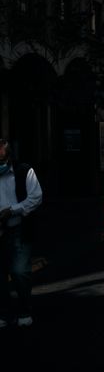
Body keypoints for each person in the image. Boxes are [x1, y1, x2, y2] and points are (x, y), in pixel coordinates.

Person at [0, 139, 42, 328]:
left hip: (17, 227)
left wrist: (13, 210)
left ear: (9, 157)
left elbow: (35, 197)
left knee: (19, 271)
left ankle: (25, 309)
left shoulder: (24, 171)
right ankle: (4, 313)